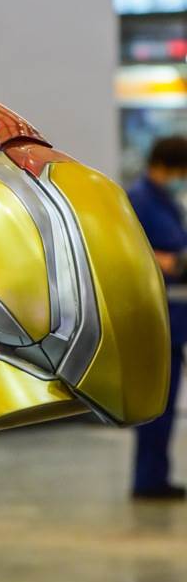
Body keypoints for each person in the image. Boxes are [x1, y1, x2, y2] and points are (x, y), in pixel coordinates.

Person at [128, 136, 187, 499]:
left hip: (175, 320)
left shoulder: (167, 201)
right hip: (155, 320)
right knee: (157, 407)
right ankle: (148, 480)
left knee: (166, 406)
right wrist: (169, 262)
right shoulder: (139, 199)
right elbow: (135, 252)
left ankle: (156, 477)